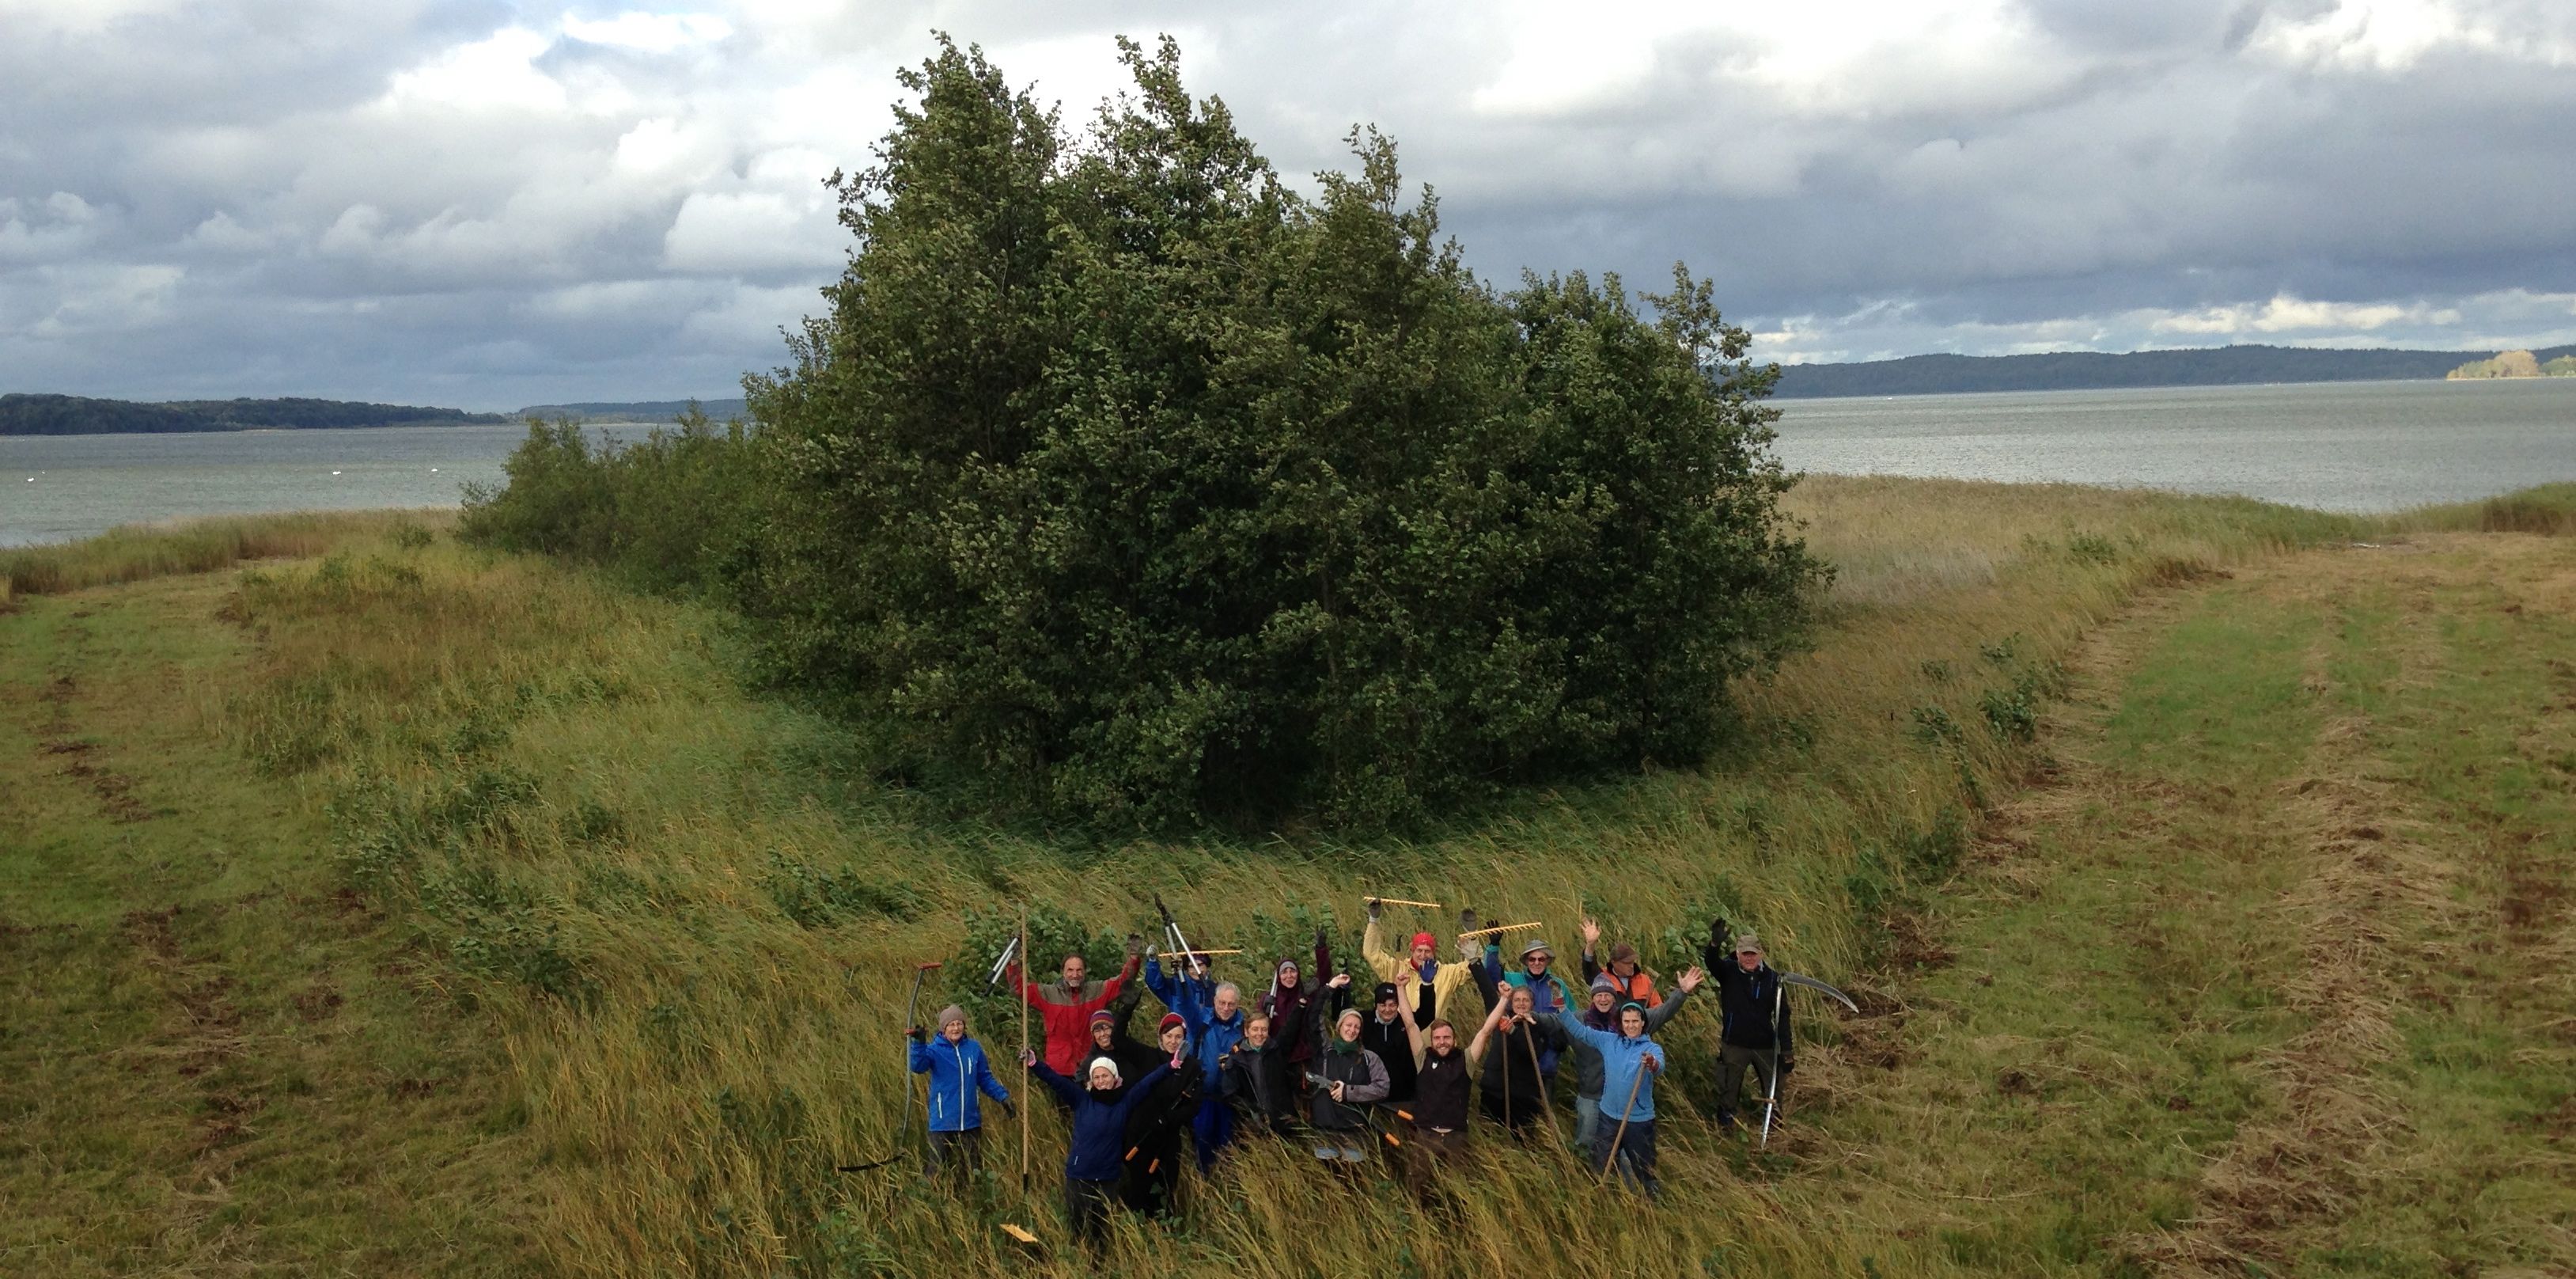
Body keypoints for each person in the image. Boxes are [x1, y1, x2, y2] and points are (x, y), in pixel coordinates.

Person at [1022, 1043, 1178, 1250]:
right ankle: (1075, 1261)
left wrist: (1172, 1065)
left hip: (1107, 1178)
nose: (1101, 1081)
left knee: (1100, 1228)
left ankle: (1099, 1264)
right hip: (1079, 1175)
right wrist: (1034, 1064)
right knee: (1077, 1226)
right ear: (1091, 1081)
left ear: (1114, 1078)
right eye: (1096, 1077)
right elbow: (1056, 1082)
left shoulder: (1123, 1104)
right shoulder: (1082, 1100)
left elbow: (1146, 1084)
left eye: (1105, 1076)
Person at [1544, 990, 1685, 1199]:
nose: (1630, 1025)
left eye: (1635, 1021)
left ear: (1642, 1023)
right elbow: (1580, 1032)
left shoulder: (1651, 1048)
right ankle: (1606, 1197)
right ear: (1620, 1023)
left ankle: (1649, 1201)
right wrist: (1562, 1009)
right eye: (1626, 1021)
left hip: (1638, 1120)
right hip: (1609, 1116)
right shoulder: (1609, 1041)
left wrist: (1652, 1064)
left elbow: (1659, 1066)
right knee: (1602, 1160)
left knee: (1641, 1164)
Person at [1565, 970, 1696, 1152]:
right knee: (1589, 1143)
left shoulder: (1631, 1017)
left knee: (1627, 1154)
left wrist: (1681, 993)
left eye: (1607, 995)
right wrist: (1558, 1009)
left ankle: (1626, 1178)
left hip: (1629, 1106)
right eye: (1599, 995)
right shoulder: (1588, 1024)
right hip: (1592, 1095)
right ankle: (1587, 1175)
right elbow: (1571, 1027)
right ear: (1592, 998)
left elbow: (1663, 1013)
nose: (1603, 999)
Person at [1142, 949, 1246, 1171]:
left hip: (1230, 1098)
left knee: (1228, 1146)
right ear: (1214, 1001)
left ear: (1237, 1004)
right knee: (1204, 1143)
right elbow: (1184, 1004)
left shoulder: (1243, 1028)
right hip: (1204, 1096)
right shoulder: (1201, 1020)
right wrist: (1179, 979)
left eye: (1231, 1004)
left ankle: (1227, 1183)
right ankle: (1205, 1182)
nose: (1226, 1008)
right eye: (1222, 1003)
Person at [1702, 919, 1794, 1133]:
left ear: (1760, 953)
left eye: (1753, 953)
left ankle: (1773, 1127)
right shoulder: (1728, 972)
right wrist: (1713, 946)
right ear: (1738, 954)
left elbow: (1783, 1017)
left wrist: (1787, 1050)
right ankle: (1726, 1126)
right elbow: (1711, 963)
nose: (1749, 958)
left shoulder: (1773, 980)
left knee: (1774, 1087)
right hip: (1734, 1044)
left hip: (1765, 1045)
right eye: (1745, 954)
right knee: (1728, 1088)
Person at [1010, 936, 1145, 1081]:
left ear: (1085, 972)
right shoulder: (1047, 994)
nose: (1075, 975)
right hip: (1059, 1069)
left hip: (1092, 1067)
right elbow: (1018, 988)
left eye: (1079, 970)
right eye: (1070, 970)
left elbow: (1123, 982)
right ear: (1063, 972)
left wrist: (1134, 956)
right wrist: (1013, 961)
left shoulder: (1097, 990)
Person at [907, 1004, 1014, 1184]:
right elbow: (918, 1067)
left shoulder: (973, 1048)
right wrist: (919, 1044)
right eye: (951, 1025)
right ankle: (927, 1200)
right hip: (943, 1121)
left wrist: (1003, 1097)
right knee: (936, 1169)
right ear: (943, 1028)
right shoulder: (934, 1050)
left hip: (970, 1121)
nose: (956, 1028)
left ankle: (970, 1201)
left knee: (973, 1170)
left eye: (959, 1023)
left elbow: (985, 1078)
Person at [1362, 901, 1481, 1032]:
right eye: (1419, 950)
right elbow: (1371, 953)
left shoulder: (1447, 973)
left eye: (1427, 951)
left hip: (1434, 1041)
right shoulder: (1395, 968)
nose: (1423, 955)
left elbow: (1475, 967)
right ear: (1412, 950)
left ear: (1434, 953)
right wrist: (1374, 920)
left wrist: (1472, 935)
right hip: (1402, 1039)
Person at [1120, 1013, 1197, 1216]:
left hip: (1168, 1139)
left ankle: (1164, 1230)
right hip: (1141, 1135)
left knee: (1165, 1187)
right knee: (1138, 1187)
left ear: (1184, 1038)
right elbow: (1118, 1038)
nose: (1173, 1041)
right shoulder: (1146, 1056)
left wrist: (1170, 1119)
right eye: (1168, 1035)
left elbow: (1194, 1106)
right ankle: (1136, 1229)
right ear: (1161, 1036)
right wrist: (1128, 1007)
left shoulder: (1192, 1066)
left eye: (1178, 1037)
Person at [1475, 936, 1578, 1080]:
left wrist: (1562, 1040)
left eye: (1541, 959)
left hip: (1547, 1064)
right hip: (1517, 1061)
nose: (1537, 963)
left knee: (1544, 1101)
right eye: (1532, 959)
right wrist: (1494, 946)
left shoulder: (1556, 986)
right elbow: (1491, 972)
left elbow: (1571, 1017)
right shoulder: (1513, 979)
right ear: (1526, 961)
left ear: (1547, 961)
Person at [1396, 1014, 1471, 1206]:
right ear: (1431, 1041)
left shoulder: (1466, 1061)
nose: (1442, 1042)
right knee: (1417, 1183)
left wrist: (1504, 999)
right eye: (1437, 1038)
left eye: (1446, 1038)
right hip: (1426, 1134)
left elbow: (1486, 1031)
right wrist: (1400, 987)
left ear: (1454, 1040)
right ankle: (1420, 1223)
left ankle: (1457, 1224)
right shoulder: (1423, 1059)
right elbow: (1411, 1025)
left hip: (1456, 1137)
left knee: (1459, 1187)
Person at [1308, 996, 1389, 1169]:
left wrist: (1348, 1092)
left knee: (1353, 1182)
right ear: (1339, 1027)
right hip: (1324, 1130)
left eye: (1356, 1027)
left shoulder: (1369, 1058)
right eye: (1348, 1025)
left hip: (1355, 1133)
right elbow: (1314, 1017)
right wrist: (1329, 989)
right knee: (1327, 1182)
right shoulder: (1324, 1052)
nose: (1352, 1030)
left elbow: (1382, 1088)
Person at [1468, 983, 1556, 1139]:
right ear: (1511, 1003)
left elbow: (1533, 1053)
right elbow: (1488, 996)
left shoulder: (1537, 1026)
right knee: (1490, 1134)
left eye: (1525, 1000)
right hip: (1495, 1089)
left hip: (1522, 1094)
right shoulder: (1502, 1019)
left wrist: (1514, 1032)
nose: (1521, 1003)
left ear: (1532, 1004)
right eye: (1517, 1000)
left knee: (1522, 1138)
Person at [1258, 928, 1330, 1080]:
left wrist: (1321, 949)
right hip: (1281, 1057)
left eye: (1293, 971)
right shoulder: (1270, 998)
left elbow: (1324, 977)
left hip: (1307, 1057)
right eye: (1284, 972)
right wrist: (1264, 1008)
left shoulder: (1307, 994)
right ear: (1278, 976)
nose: (1289, 976)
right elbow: (1258, 1023)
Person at [1219, 1011, 1296, 1136]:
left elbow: (1291, 1029)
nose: (1259, 1034)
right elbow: (1229, 1093)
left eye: (1264, 1029)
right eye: (1255, 1029)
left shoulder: (1276, 1051)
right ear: (1246, 1032)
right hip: (1253, 1126)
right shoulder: (1236, 1059)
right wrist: (1250, 1111)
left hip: (1282, 1122)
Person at [1357, 981, 1419, 1105]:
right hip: (1372, 1093)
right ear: (1376, 1005)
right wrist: (1341, 990)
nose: (1387, 1010)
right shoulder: (1364, 1020)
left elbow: (1428, 1016)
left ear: (1398, 1005)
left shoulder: (1407, 1022)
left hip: (1404, 1094)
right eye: (1382, 1005)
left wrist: (1426, 986)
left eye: (1392, 1005)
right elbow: (1340, 1015)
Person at [1580, 917, 1661, 1008]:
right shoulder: (1602, 978)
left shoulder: (1645, 981)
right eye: (1626, 963)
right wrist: (1591, 944)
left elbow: (1658, 1011)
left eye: (1632, 962)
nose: (1631, 966)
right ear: (1614, 962)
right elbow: (1589, 967)